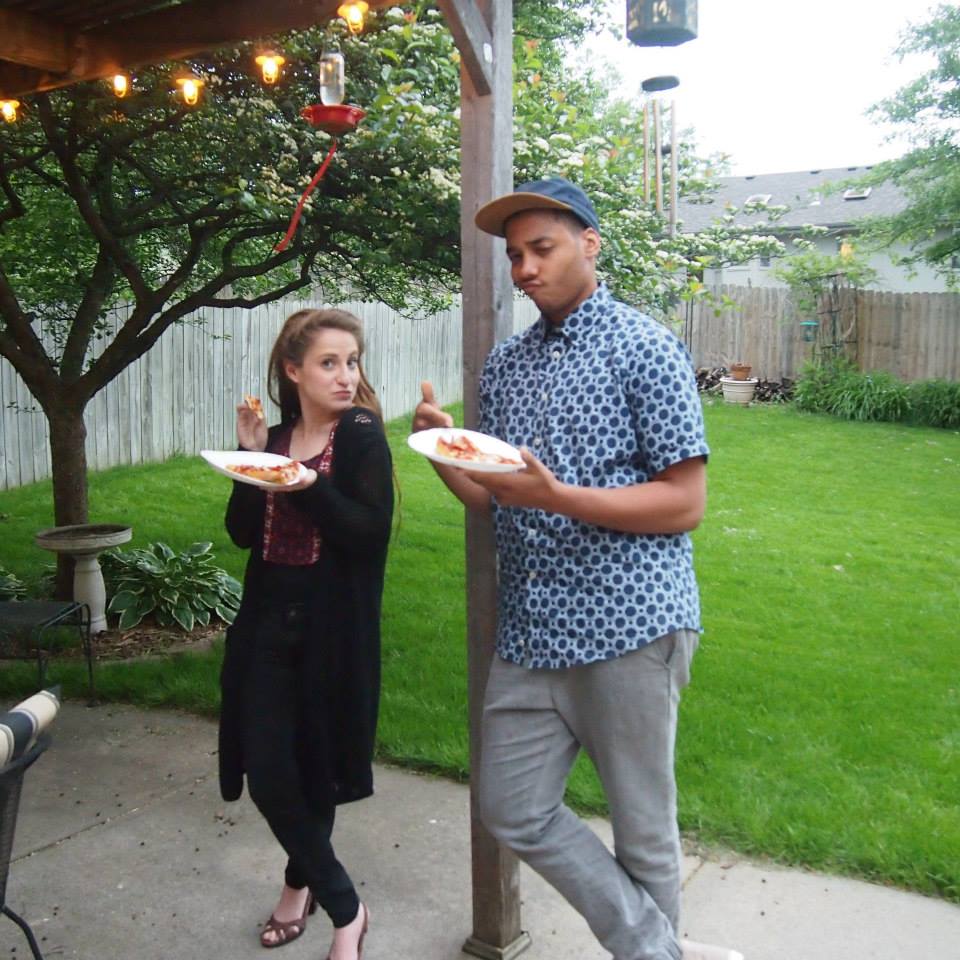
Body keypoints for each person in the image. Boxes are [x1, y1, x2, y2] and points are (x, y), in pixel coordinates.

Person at [412, 179, 741, 960]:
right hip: (532, 632)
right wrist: (443, 453)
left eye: (542, 248)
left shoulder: (646, 348)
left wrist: (558, 497)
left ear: (590, 244)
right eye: (515, 255)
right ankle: (657, 948)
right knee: (510, 806)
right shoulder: (506, 365)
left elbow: (684, 501)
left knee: (643, 829)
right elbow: (497, 498)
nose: (525, 268)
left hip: (630, 622)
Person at [218, 308, 393, 960]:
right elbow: (243, 533)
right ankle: (349, 907)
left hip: (331, 632)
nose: (346, 376)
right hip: (267, 624)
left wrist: (307, 483)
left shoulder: (360, 434)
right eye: (328, 363)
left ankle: (301, 888)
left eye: (352, 362)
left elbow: (369, 531)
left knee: (315, 769)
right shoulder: (277, 435)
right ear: (293, 370)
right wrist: (252, 456)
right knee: (268, 775)